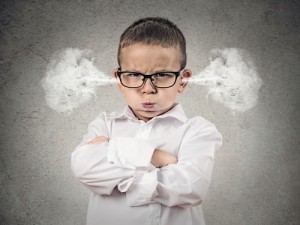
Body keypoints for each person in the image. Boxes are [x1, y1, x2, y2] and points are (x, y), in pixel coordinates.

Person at [71, 17, 222, 225]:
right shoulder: (105, 124)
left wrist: (115, 153)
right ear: (119, 80)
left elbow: (190, 187)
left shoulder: (198, 130)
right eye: (134, 74)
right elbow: (84, 166)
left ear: (183, 80)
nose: (148, 88)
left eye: (162, 75)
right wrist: (156, 157)